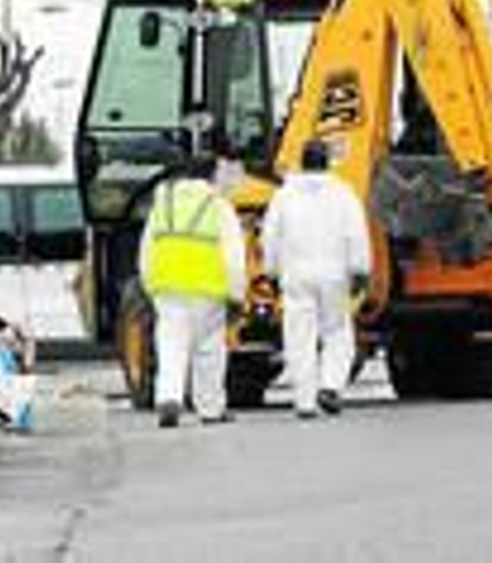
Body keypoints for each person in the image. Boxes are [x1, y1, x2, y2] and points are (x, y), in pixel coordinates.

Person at [261, 139, 372, 419]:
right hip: (334, 275)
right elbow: (356, 234)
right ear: (327, 162)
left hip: (296, 274)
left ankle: (304, 402)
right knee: (337, 333)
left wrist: (271, 271)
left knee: (299, 337)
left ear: (302, 161)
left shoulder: (284, 195)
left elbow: (270, 237)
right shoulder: (343, 194)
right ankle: (331, 386)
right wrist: (360, 270)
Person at [138, 154, 246, 428]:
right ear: (211, 176)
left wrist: (149, 285)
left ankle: (169, 398)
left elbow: (147, 249)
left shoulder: (163, 205)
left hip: (168, 289)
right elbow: (234, 255)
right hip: (207, 290)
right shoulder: (218, 205)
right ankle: (210, 409)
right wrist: (237, 295)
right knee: (209, 350)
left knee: (170, 345)